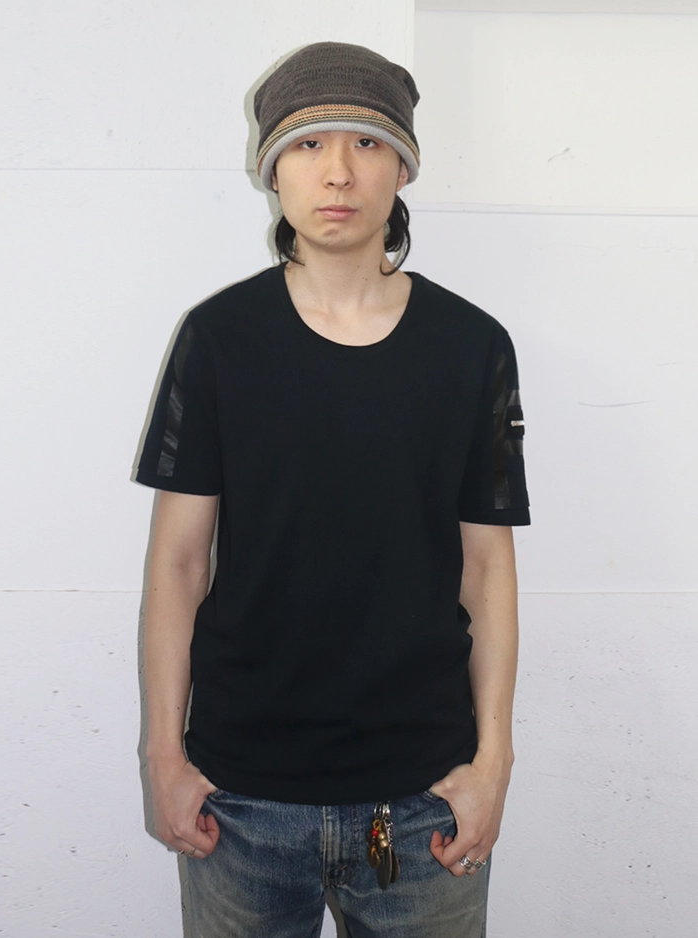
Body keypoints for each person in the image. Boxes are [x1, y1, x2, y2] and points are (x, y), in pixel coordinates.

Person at [134, 40, 530, 938]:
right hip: (239, 798)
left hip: (425, 799)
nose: (339, 171)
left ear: (403, 169)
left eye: (367, 142)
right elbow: (180, 564)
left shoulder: (471, 347)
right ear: (272, 169)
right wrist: (164, 754)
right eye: (309, 144)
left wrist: (493, 762)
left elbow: (486, 568)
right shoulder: (219, 339)